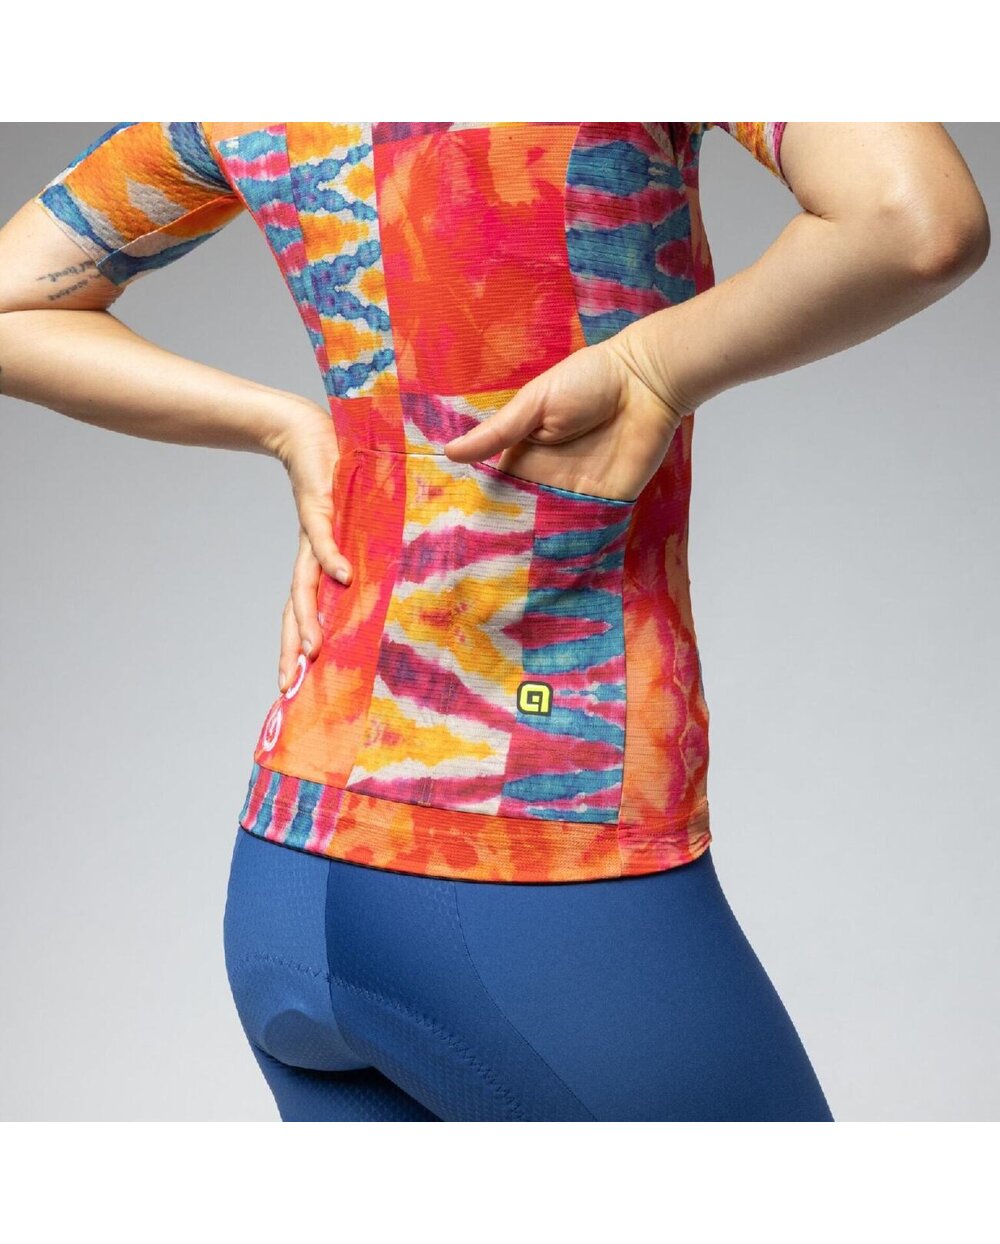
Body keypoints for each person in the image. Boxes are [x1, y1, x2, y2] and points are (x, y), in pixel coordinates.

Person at [0, 122, 988, 1121]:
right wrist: (653, 366)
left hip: (288, 867)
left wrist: (287, 426)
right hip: (540, 860)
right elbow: (913, 218)